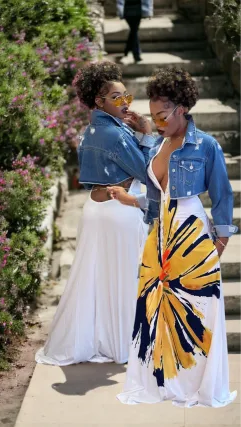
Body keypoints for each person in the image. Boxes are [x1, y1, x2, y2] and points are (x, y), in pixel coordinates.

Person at [108, 67, 238, 406]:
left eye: (163, 115)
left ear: (181, 108)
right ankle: (166, 382)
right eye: (154, 116)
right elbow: (155, 200)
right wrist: (131, 201)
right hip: (159, 238)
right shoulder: (157, 145)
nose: (158, 122)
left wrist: (220, 245)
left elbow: (223, 198)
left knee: (197, 313)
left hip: (193, 235)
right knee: (156, 311)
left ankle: (199, 385)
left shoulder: (206, 146)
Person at [35, 61, 155, 366]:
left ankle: (106, 338)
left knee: (98, 279)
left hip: (96, 209)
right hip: (119, 211)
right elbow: (148, 171)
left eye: (127, 97)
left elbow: (90, 178)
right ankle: (127, 343)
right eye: (118, 97)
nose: (126, 103)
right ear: (99, 101)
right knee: (128, 278)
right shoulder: (116, 135)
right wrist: (147, 134)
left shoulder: (89, 132)